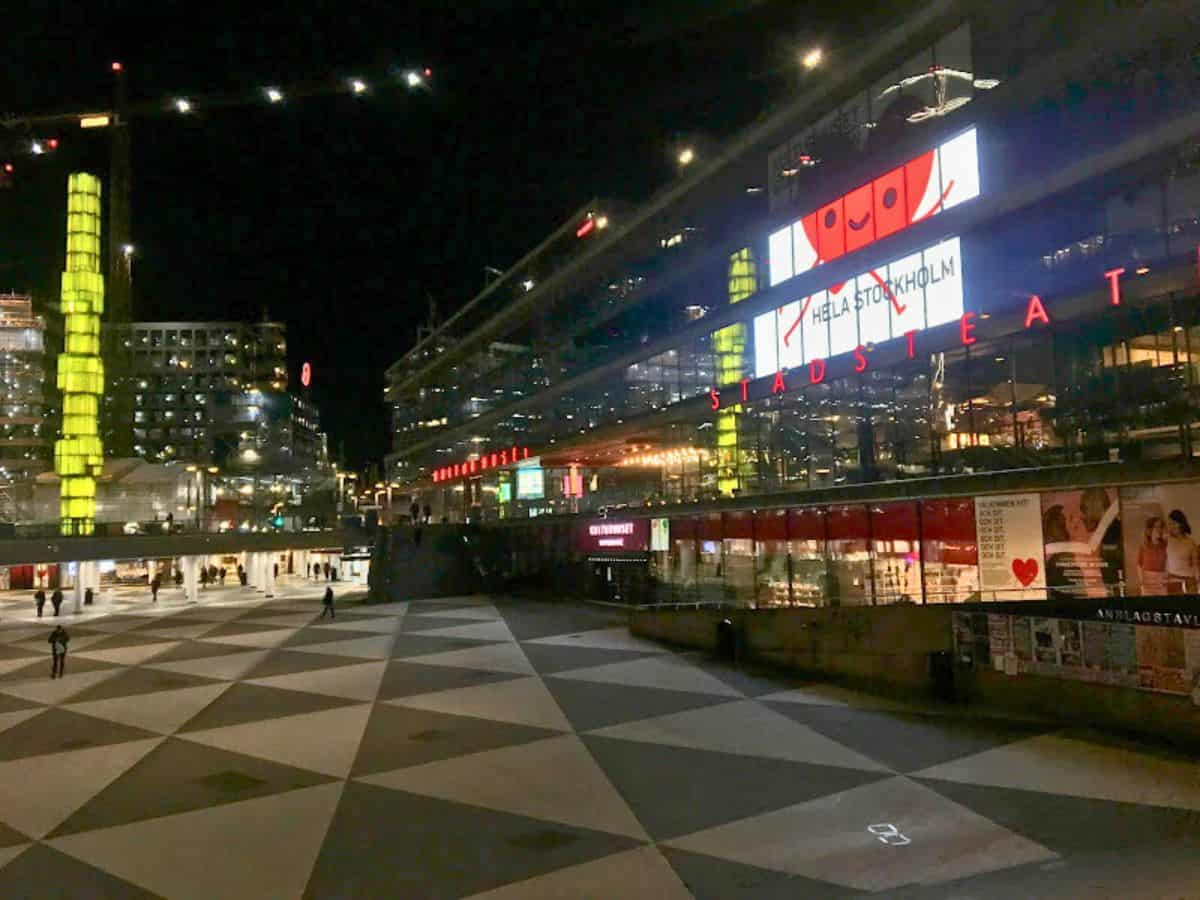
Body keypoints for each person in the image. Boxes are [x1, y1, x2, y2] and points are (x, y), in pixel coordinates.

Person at [1166, 509, 1199, 594]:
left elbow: (1195, 565)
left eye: (1174, 523)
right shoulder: (1166, 540)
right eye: (1169, 524)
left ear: (1181, 524)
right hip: (1172, 581)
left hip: (1189, 581)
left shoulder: (1191, 542)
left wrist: (1198, 579)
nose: (1171, 526)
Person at [1137, 515, 1168, 595]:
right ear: (1149, 529)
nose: (1159, 529)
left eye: (1161, 527)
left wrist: (1165, 576)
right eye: (1156, 527)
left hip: (1161, 580)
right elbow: (1139, 564)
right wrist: (1141, 581)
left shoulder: (1165, 545)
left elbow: (1168, 562)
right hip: (1147, 581)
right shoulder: (1143, 546)